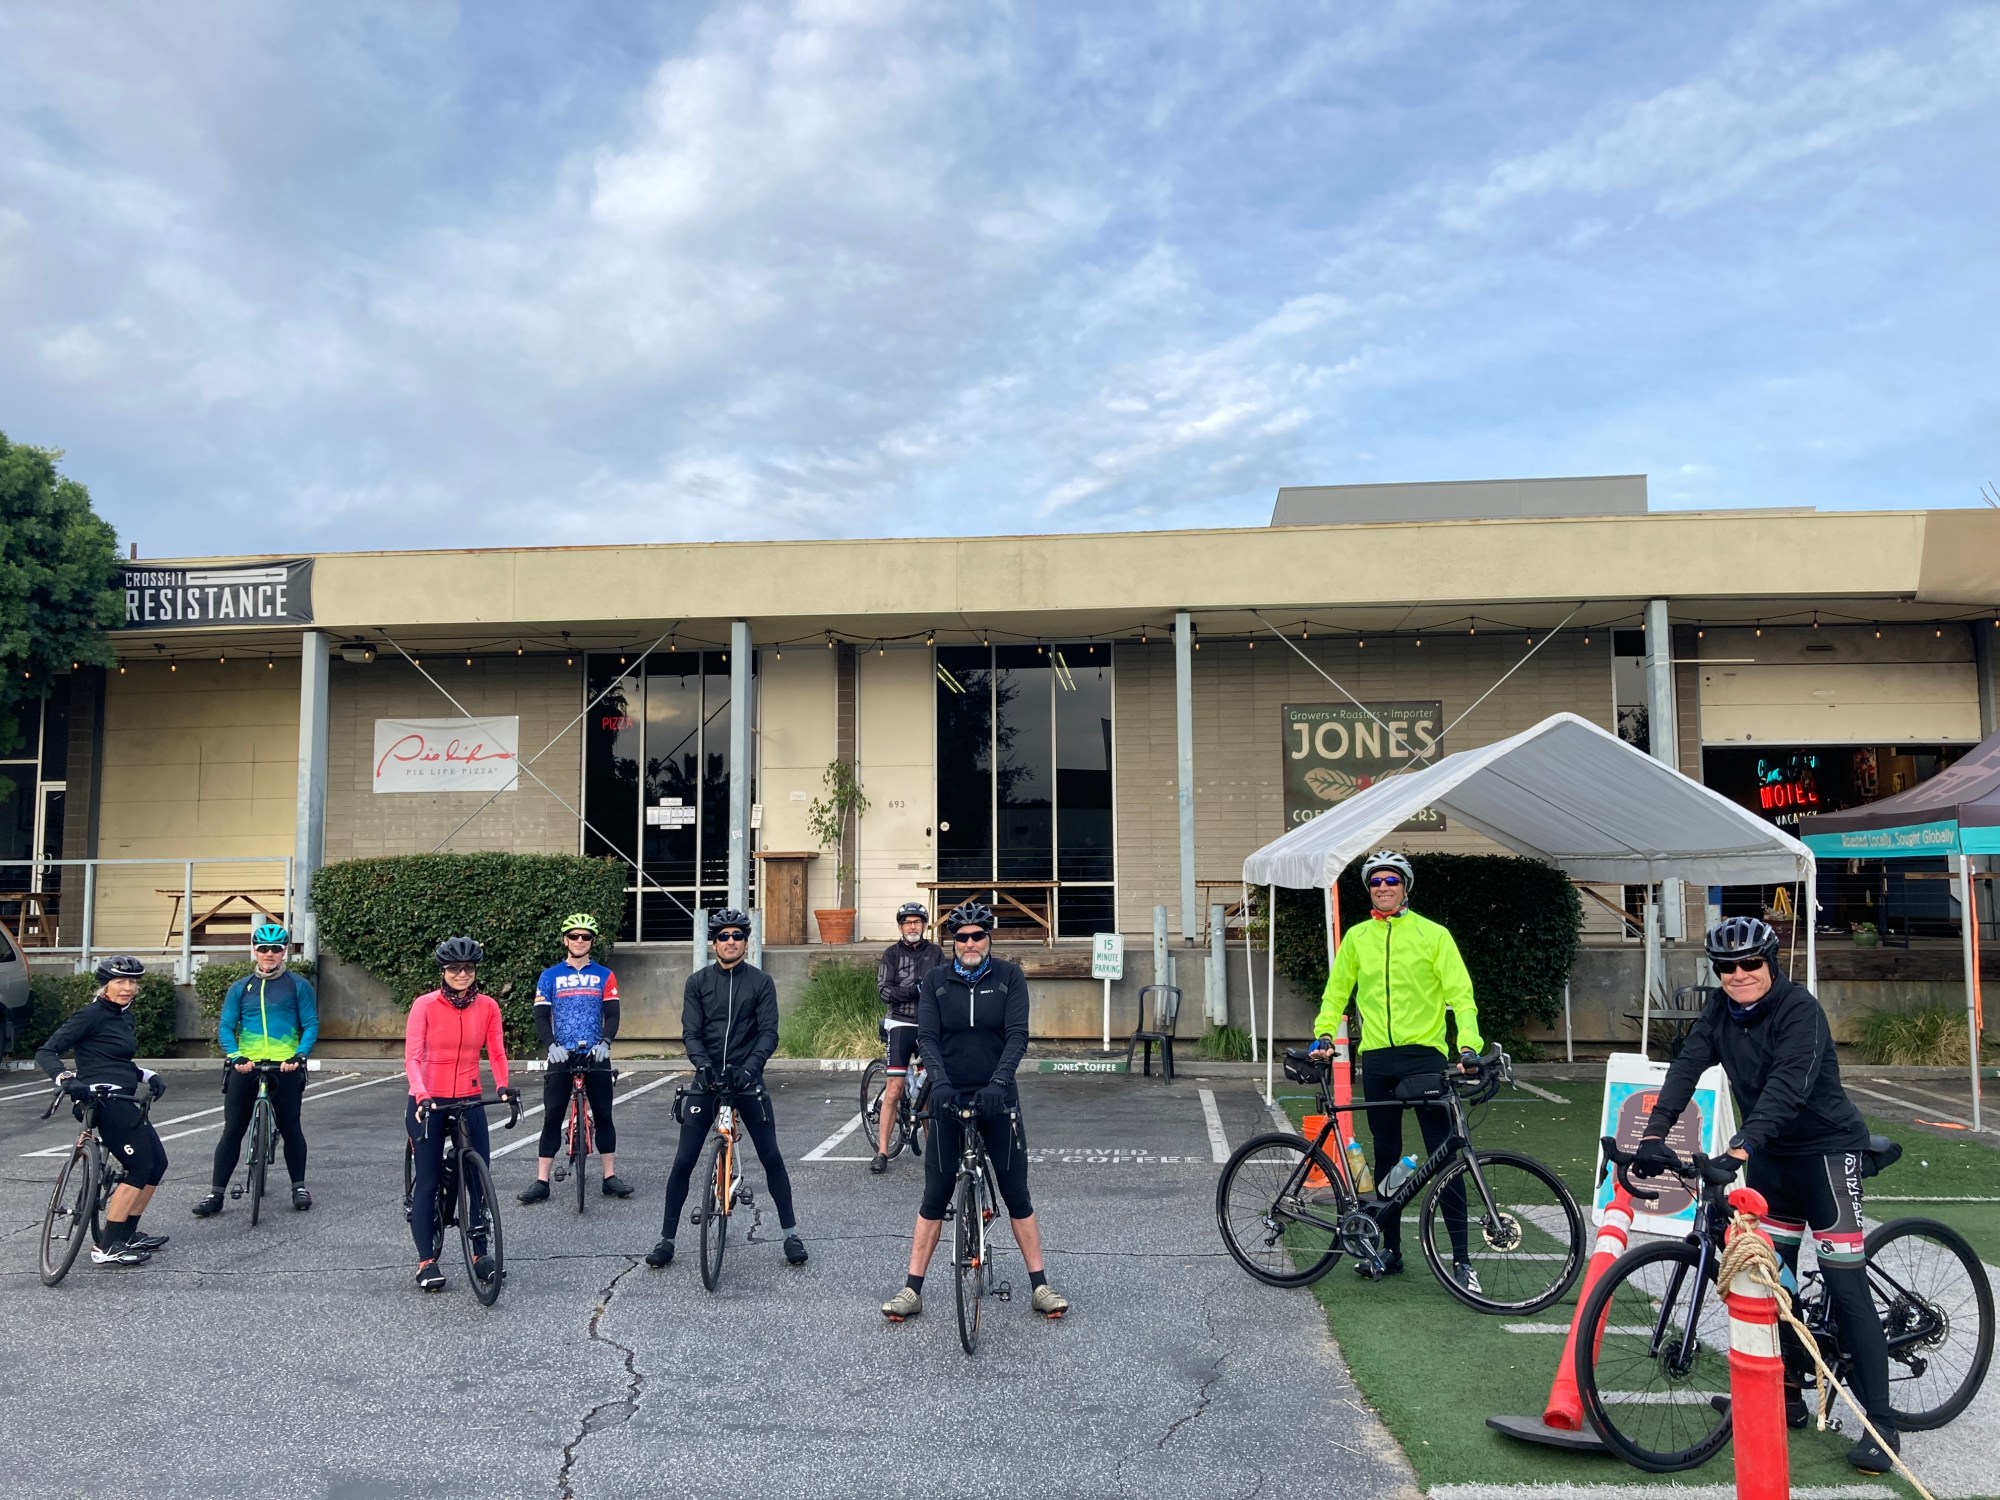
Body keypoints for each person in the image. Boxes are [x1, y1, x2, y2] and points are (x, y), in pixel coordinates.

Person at [1635, 915, 1897, 1475]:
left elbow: (1787, 1087)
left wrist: (1738, 1149)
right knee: (1769, 1279)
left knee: (1846, 1286)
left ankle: (1882, 1425)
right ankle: (1789, 1393)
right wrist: (1654, 1134)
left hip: (1825, 1153)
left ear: (1771, 963)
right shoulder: (1720, 1010)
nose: (1738, 975)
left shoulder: (1799, 1010)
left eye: (1750, 963)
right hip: (1772, 1159)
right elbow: (1686, 1068)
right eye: (1726, 967)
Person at [881, 901, 1069, 1323]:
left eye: (977, 936)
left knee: (1017, 1194)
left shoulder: (1008, 977)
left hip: (998, 1096)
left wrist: (999, 1083)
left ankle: (1040, 1285)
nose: (970, 943)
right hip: (949, 1095)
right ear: (953, 942)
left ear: (988, 939)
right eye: (962, 937)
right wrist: (939, 1083)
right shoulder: (936, 981)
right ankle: (912, 1289)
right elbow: (928, 1037)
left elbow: (1017, 1036)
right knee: (934, 1195)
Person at [1309, 849, 1483, 1288]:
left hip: (1424, 1057)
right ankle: (1389, 1252)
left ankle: (1462, 1260)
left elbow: (1461, 996)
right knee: (1386, 1156)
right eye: (1375, 882)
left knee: (1445, 1159)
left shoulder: (1433, 935)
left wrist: (1468, 1045)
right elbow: (1336, 993)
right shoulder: (1357, 937)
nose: (1383, 887)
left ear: (1405, 887)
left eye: (1391, 880)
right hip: (1378, 1060)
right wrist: (1325, 1033)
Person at [646, 908, 807, 1269]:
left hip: (746, 1079)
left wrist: (750, 1070)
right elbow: (691, 1032)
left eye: (737, 936)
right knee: (683, 1161)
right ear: (714, 943)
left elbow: (768, 1033)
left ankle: (791, 1235)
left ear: (746, 943)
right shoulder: (697, 982)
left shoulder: (761, 982)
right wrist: (703, 1067)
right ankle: (666, 1240)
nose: (730, 941)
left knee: (771, 1156)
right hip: (707, 1080)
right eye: (723, 936)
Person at [36, 956, 171, 1266]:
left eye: (132, 982)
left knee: (158, 1164)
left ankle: (127, 1234)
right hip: (101, 1099)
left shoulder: (124, 1016)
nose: (127, 988)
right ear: (105, 985)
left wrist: (147, 1075)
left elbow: (115, 1060)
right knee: (140, 1165)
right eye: (120, 982)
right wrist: (67, 1079)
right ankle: (106, 1246)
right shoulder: (91, 1015)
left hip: (124, 1097)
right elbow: (46, 1052)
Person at [404, 936, 516, 1292]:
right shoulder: (424, 1005)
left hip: (469, 1098)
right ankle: (426, 1262)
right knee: (428, 1180)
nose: (462, 974)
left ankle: (480, 1254)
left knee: (478, 1178)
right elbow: (413, 1057)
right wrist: (422, 1093)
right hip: (429, 1100)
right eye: (454, 968)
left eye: (468, 968)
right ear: (443, 971)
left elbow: (496, 1052)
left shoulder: (488, 1006)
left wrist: (503, 1086)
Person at [193, 923, 318, 1218]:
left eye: (275, 949)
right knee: (233, 1129)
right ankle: (216, 1194)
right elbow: (226, 1026)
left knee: (291, 1127)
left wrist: (299, 1055)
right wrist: (235, 1056)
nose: (269, 954)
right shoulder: (240, 987)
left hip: (284, 1065)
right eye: (263, 949)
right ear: (254, 951)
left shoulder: (298, 985)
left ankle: (298, 1187)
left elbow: (311, 1024)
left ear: (284, 951)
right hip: (246, 1065)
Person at [519, 913, 632, 1203]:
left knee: (604, 1115)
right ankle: (542, 1181)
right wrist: (551, 1045)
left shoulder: (605, 975)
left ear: (592, 941)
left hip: (596, 1053)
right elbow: (541, 1016)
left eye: (585, 936)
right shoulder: (550, 976)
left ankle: (609, 1177)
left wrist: (605, 1042)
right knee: (552, 1116)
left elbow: (612, 1014)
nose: (579, 940)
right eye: (574, 936)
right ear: (565, 940)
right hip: (561, 1053)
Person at [871, 901, 944, 1173]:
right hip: (900, 1022)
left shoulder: (936, 953)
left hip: (928, 1024)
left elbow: (945, 985)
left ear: (924, 926)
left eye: (917, 922)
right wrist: (914, 990)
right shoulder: (891, 954)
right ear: (901, 927)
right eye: (908, 922)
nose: (913, 926)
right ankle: (882, 1152)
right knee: (894, 1088)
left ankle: (934, 1153)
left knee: (929, 1090)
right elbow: (884, 991)